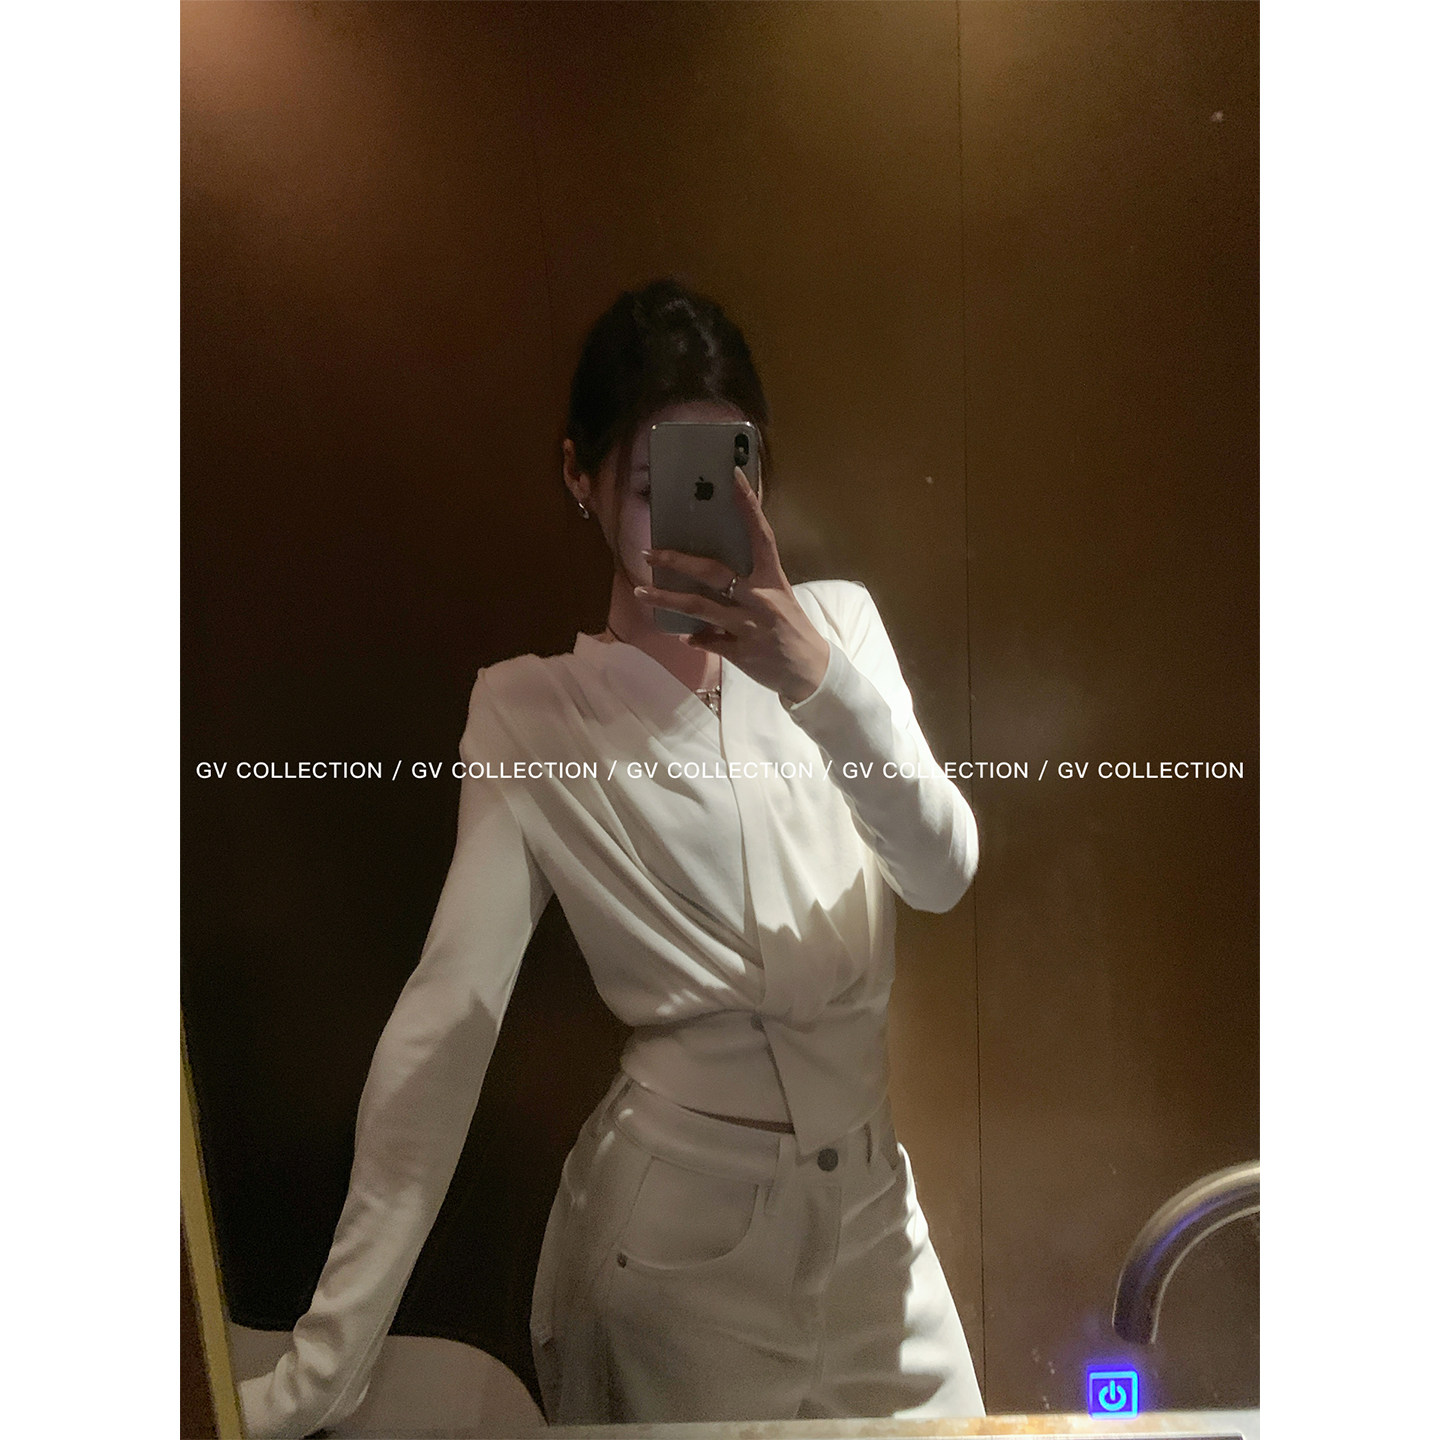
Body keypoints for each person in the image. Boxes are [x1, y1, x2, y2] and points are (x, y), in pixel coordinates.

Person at [237, 278, 985, 1437]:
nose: (693, 513)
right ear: (578, 477)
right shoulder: (533, 714)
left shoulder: (836, 629)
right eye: (651, 485)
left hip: (880, 1234)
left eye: (730, 473)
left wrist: (813, 678)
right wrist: (320, 1370)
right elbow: (448, 1022)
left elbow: (941, 871)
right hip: (683, 1260)